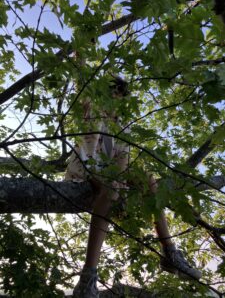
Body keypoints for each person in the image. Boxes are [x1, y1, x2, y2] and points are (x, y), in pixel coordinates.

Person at [65, 76, 201, 298]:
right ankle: (88, 278)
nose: (115, 100)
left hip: (108, 175)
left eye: (119, 97)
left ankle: (169, 252)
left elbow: (123, 164)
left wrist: (125, 179)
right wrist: (83, 48)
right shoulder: (91, 108)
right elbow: (81, 77)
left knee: (148, 178)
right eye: (112, 94)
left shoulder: (122, 129)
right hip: (84, 171)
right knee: (111, 189)